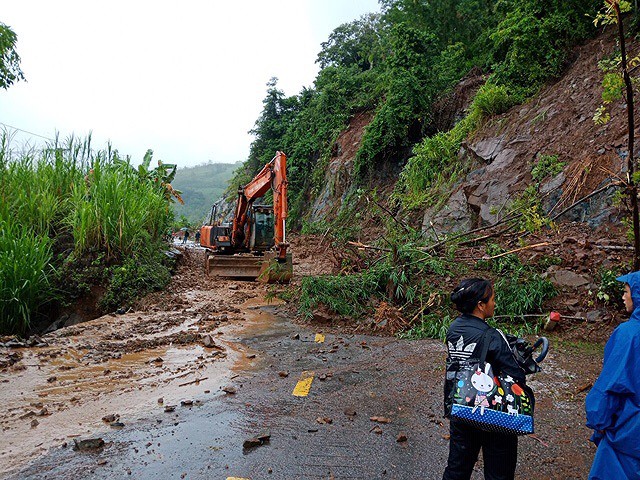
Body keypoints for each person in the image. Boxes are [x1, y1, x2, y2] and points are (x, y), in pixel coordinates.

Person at [443, 278, 526, 480]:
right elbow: (516, 375)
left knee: (457, 469)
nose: (494, 304)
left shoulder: (454, 329)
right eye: (492, 300)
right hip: (492, 415)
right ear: (481, 305)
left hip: (461, 407)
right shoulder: (492, 335)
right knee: (499, 472)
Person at [586, 271, 640, 479]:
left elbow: (610, 386)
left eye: (627, 292)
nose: (624, 297)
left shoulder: (629, 334)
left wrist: (599, 422)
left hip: (627, 433)